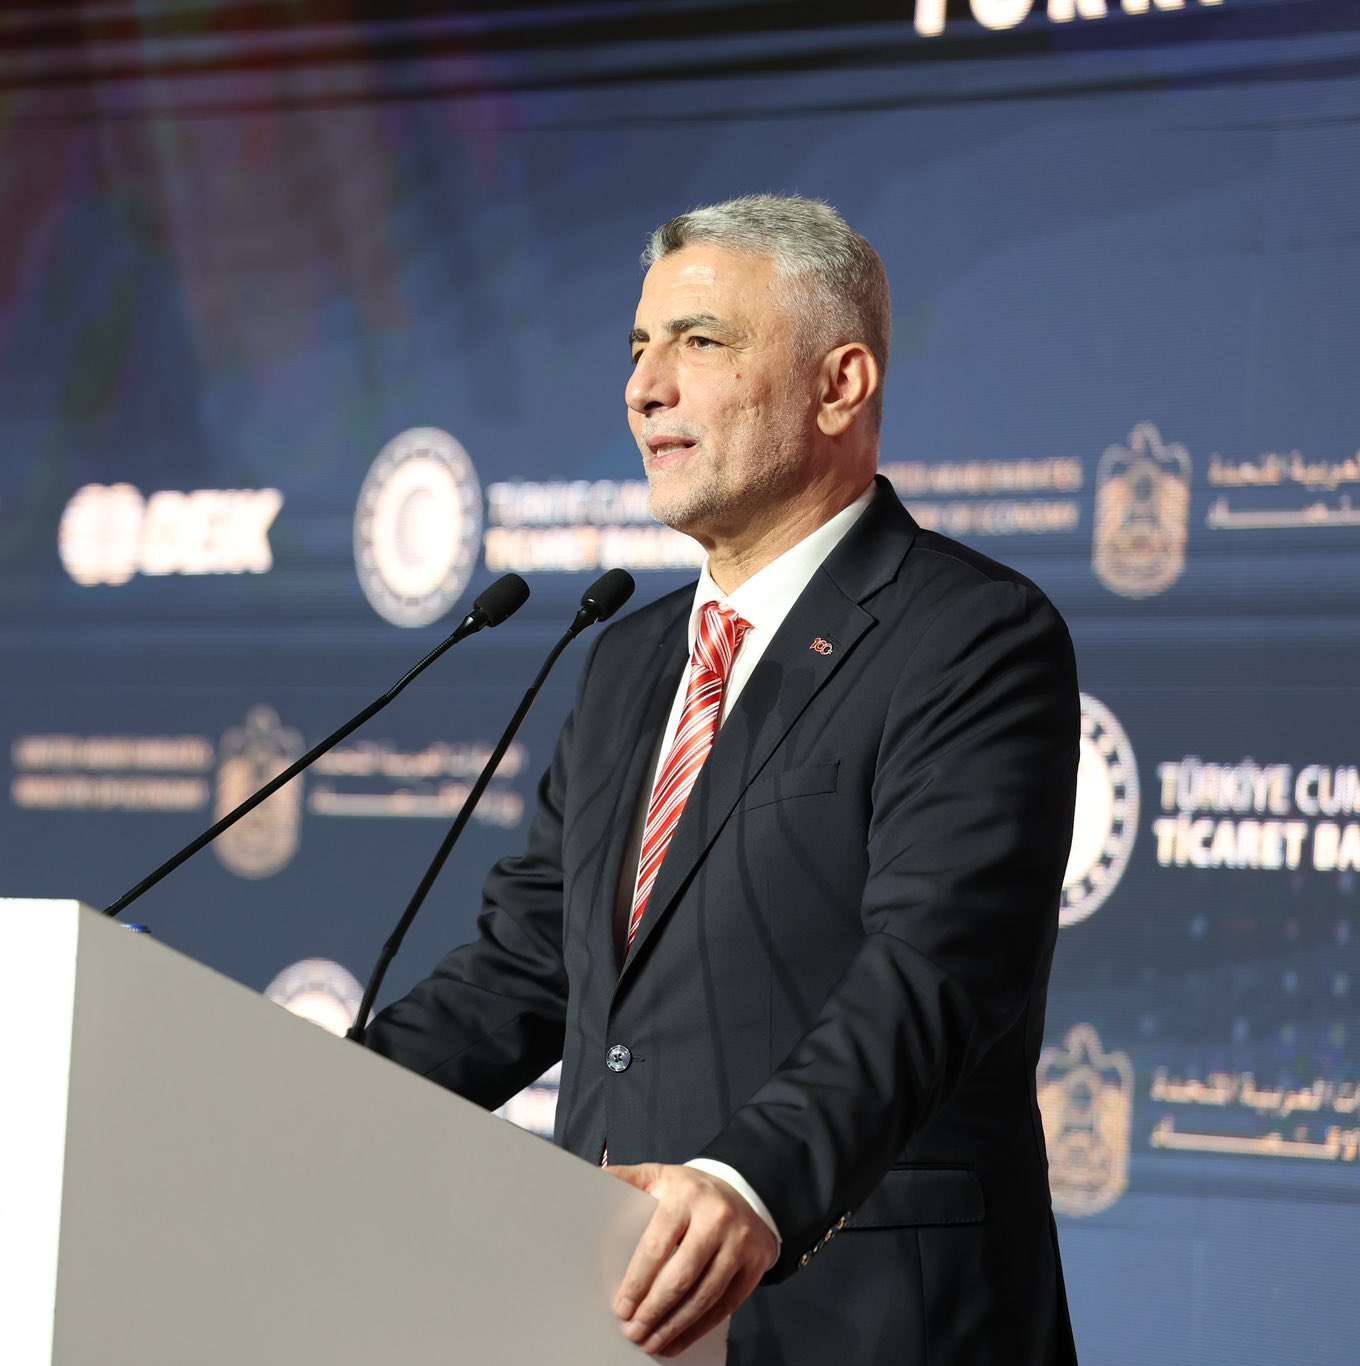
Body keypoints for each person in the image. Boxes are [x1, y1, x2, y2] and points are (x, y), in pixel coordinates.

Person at [362, 194, 1081, 1364]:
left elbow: (934, 965)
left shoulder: (968, 636)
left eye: (697, 341)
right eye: (637, 347)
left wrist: (747, 1179)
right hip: (616, 1315)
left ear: (838, 385)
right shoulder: (629, 659)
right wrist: (307, 1099)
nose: (644, 387)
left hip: (868, 1320)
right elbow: (528, 965)